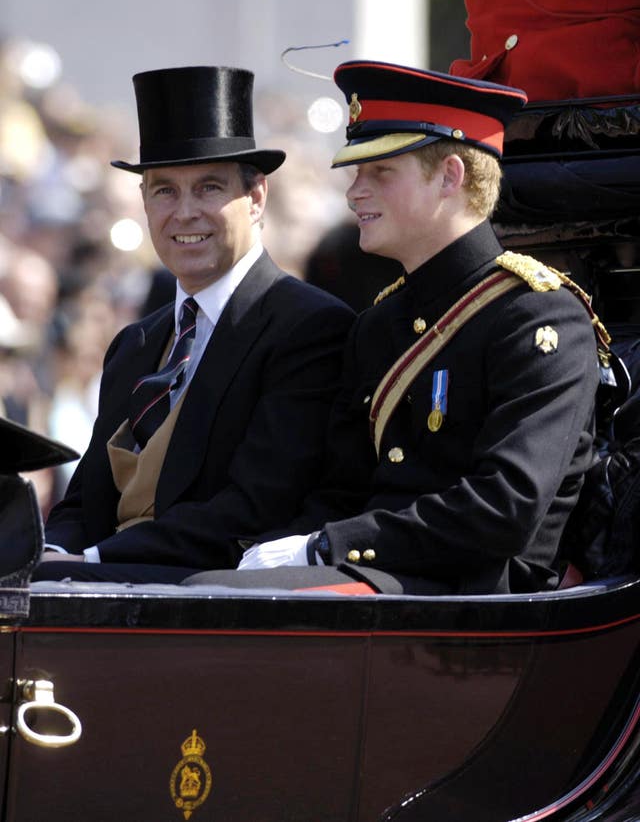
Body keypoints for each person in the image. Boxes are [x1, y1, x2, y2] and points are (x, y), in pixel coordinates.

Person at [187, 60, 602, 595]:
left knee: (216, 603)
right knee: (200, 588)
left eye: (380, 172)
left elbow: (505, 508)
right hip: (384, 579)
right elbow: (340, 491)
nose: (354, 192)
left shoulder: (539, 315)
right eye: (357, 173)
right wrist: (275, 546)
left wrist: (323, 547)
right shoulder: (380, 323)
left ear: (450, 176)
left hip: (476, 598)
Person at [33, 65, 354, 584]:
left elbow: (257, 508)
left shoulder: (308, 328)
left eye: (207, 188)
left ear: (256, 198)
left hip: (215, 617)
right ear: (142, 202)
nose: (184, 213)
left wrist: (92, 562)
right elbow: (83, 503)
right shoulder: (135, 343)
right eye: (164, 191)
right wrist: (47, 556)